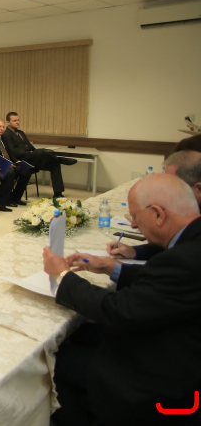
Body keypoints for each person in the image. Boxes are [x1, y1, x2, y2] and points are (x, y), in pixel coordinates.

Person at [42, 174, 201, 426]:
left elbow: (120, 310)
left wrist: (63, 276)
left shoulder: (185, 257)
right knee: (80, 333)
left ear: (158, 214)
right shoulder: (190, 242)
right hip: (176, 332)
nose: (134, 226)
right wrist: (112, 268)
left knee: (52, 362)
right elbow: (167, 285)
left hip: (168, 377)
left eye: (135, 217)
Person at [3, 112, 76, 198]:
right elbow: (13, 151)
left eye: (18, 120)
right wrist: (30, 153)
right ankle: (60, 159)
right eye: (14, 121)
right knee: (39, 152)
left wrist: (34, 152)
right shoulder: (6, 134)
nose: (17, 122)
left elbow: (30, 146)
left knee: (54, 164)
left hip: (33, 159)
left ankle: (58, 193)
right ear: (8, 122)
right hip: (21, 160)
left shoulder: (21, 132)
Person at [0, 118, 31, 207]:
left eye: (3, 127)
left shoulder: (3, 138)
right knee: (10, 173)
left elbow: (10, 152)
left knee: (26, 171)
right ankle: (1, 201)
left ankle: (15, 197)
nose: (2, 129)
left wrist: (16, 161)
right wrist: (6, 164)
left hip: (9, 163)